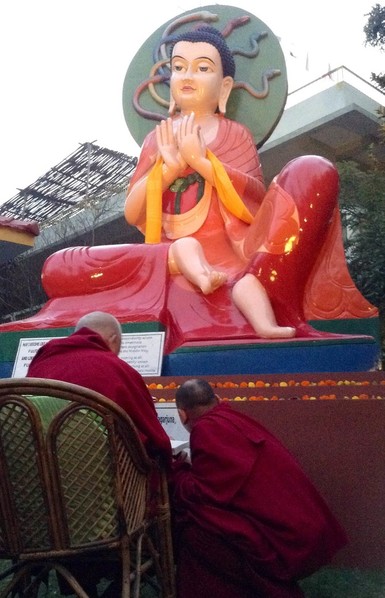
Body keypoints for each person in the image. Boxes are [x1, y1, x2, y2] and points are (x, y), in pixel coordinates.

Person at [169, 378, 347, 598]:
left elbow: (207, 493)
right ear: (217, 399)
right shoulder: (233, 418)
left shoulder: (206, 428)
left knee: (196, 527)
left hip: (282, 537)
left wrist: (178, 472)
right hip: (304, 523)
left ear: (182, 415)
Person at [27, 311, 172, 464]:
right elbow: (153, 436)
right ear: (114, 340)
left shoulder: (41, 362)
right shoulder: (117, 369)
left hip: (42, 470)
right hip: (106, 476)